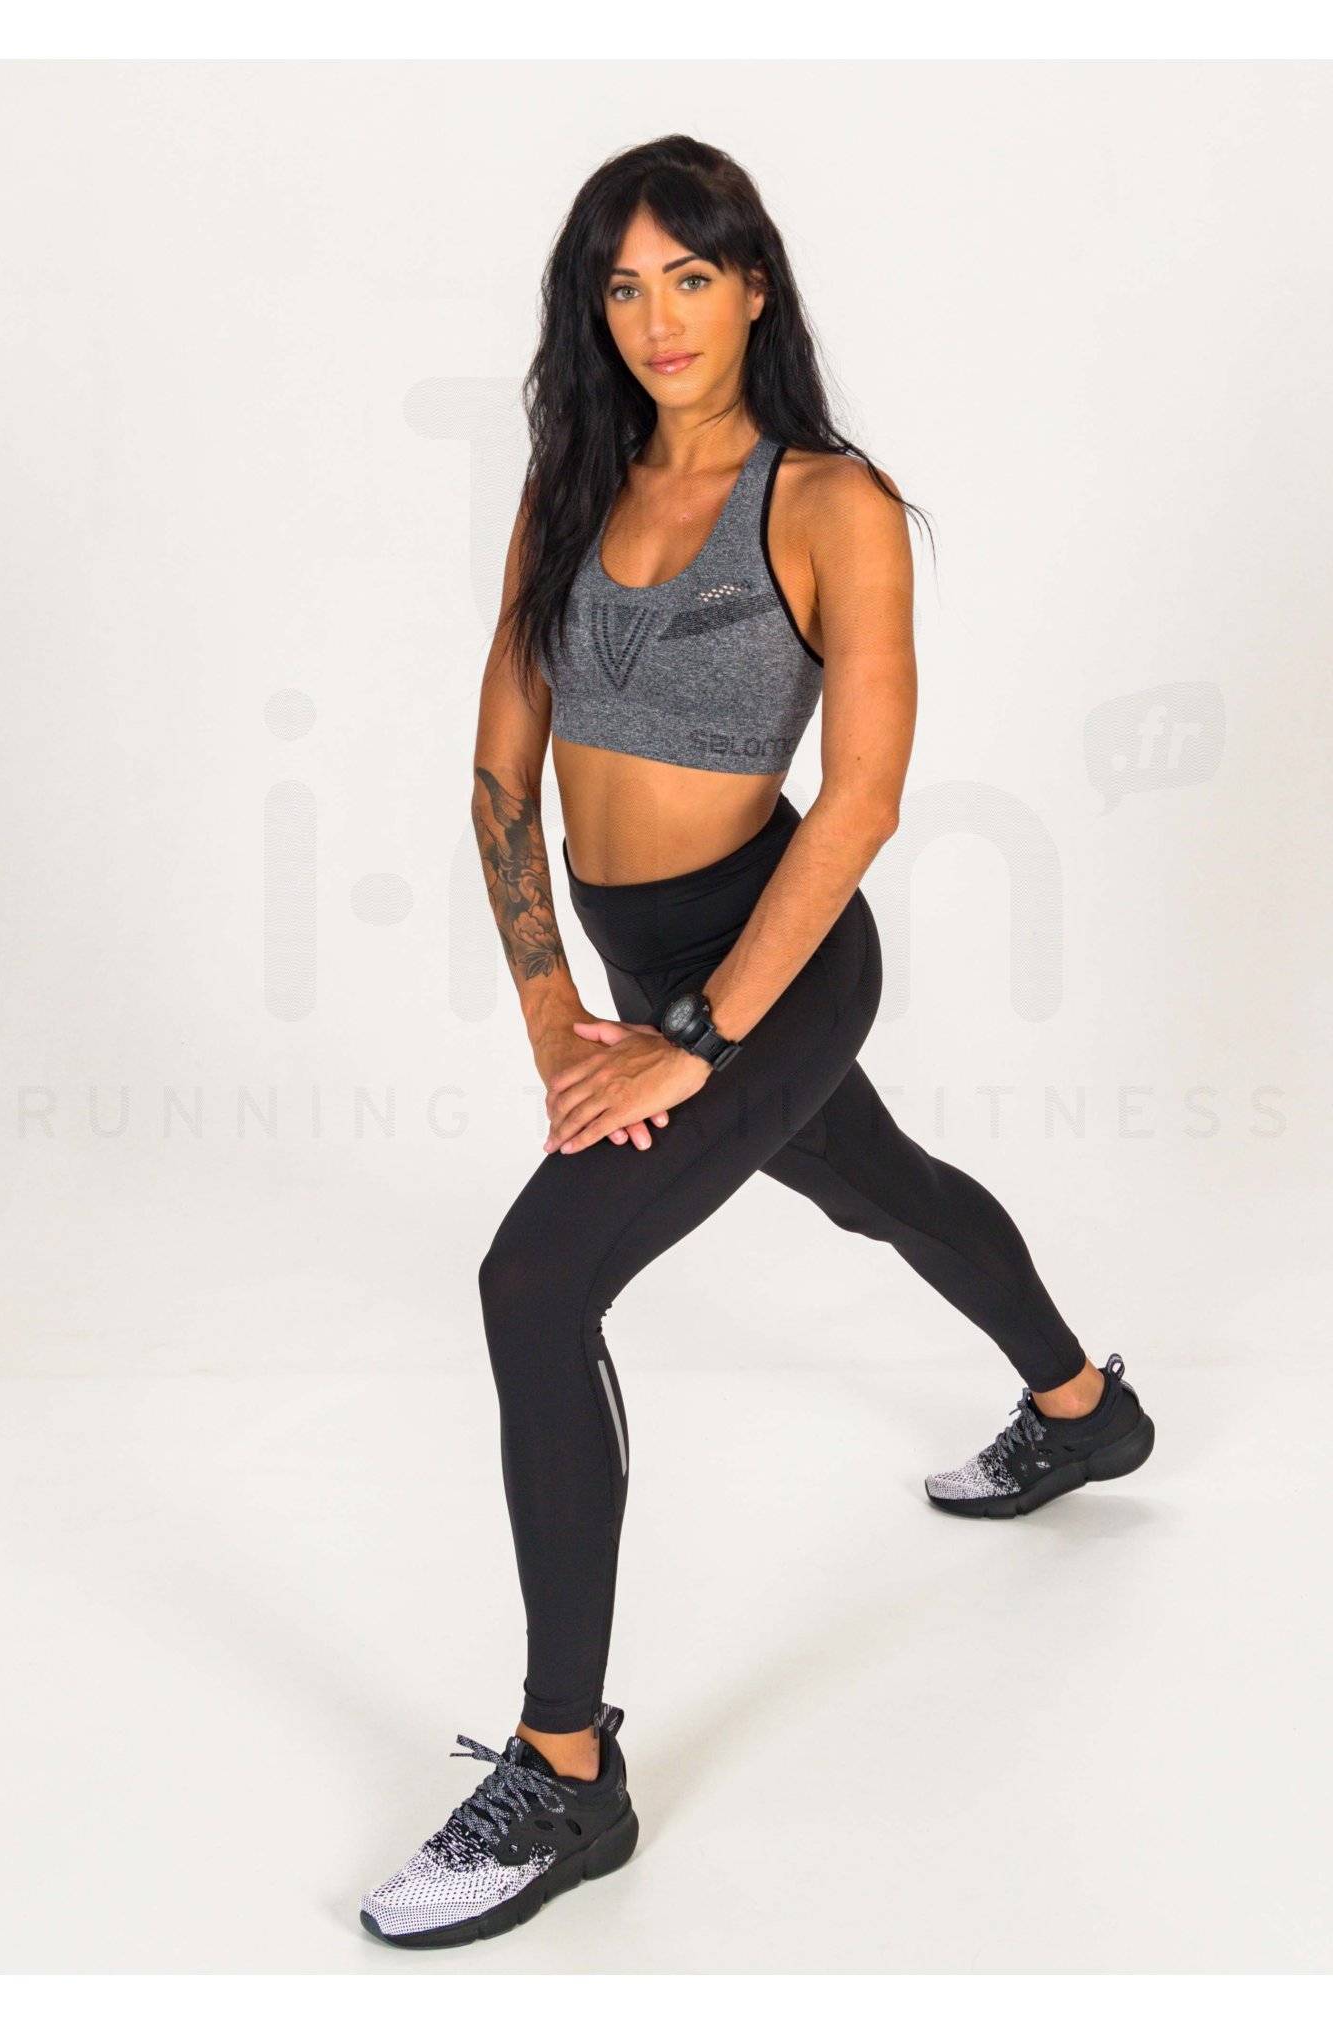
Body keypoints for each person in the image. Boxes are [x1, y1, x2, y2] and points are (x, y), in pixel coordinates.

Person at [360, 134, 1155, 1951]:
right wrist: (553, 1005)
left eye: (691, 277)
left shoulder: (827, 501)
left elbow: (862, 796)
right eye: (624, 285)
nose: (658, 317)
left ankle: (568, 1770)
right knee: (878, 1184)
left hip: (782, 959)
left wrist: (702, 1039)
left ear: (754, 287)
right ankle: (1082, 1408)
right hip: (634, 969)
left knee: (535, 1282)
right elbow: (498, 768)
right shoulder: (570, 483)